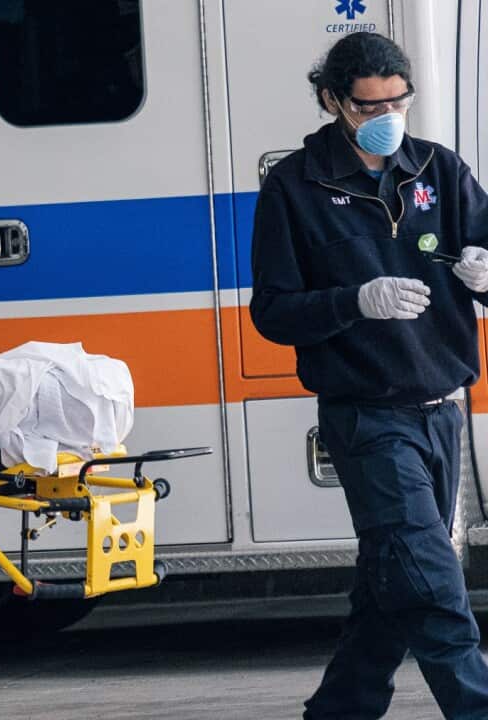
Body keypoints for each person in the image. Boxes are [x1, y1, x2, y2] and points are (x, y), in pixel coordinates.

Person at [249, 32, 488, 719]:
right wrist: (353, 301)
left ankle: (340, 711)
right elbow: (273, 312)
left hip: (443, 406)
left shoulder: (437, 171)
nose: (388, 115)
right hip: (366, 415)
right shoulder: (295, 186)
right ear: (333, 100)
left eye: (399, 101)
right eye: (370, 104)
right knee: (430, 581)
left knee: (393, 578)